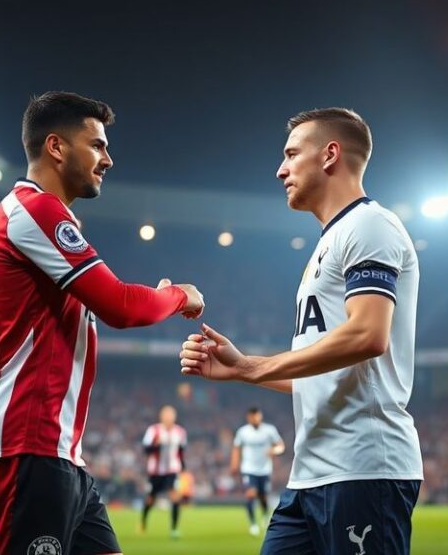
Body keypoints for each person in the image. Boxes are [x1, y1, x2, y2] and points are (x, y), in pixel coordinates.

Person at [0, 91, 204, 555]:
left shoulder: (32, 216)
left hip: (56, 452)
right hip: (22, 445)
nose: (108, 159)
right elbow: (120, 305)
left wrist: (156, 296)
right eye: (97, 145)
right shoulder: (34, 210)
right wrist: (179, 295)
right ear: (56, 147)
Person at [180, 107, 422, 555]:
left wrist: (255, 365)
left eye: (291, 154)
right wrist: (240, 372)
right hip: (310, 475)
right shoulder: (327, 243)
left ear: (330, 155)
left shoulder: (370, 225)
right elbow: (324, 375)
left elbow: (368, 334)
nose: (280, 169)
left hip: (363, 470)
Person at [231, 407, 285, 536]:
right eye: (253, 416)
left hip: (264, 469)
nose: (255, 418)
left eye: (257, 416)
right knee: (250, 494)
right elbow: (236, 448)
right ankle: (253, 524)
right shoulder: (243, 432)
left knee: (263, 497)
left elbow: (280, 445)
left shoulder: (269, 430)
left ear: (260, 416)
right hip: (248, 469)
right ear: (248, 417)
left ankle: (265, 515)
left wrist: (274, 450)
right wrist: (234, 464)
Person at [140, 405, 187, 538]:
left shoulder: (180, 432)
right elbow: (146, 450)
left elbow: (181, 452)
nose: (168, 417)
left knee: (175, 497)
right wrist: (157, 445)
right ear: (161, 416)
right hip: (155, 472)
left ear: (174, 416)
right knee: (151, 499)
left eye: (171, 415)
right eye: (166, 415)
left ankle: (174, 529)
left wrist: (183, 468)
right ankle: (143, 521)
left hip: (172, 470)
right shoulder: (153, 430)